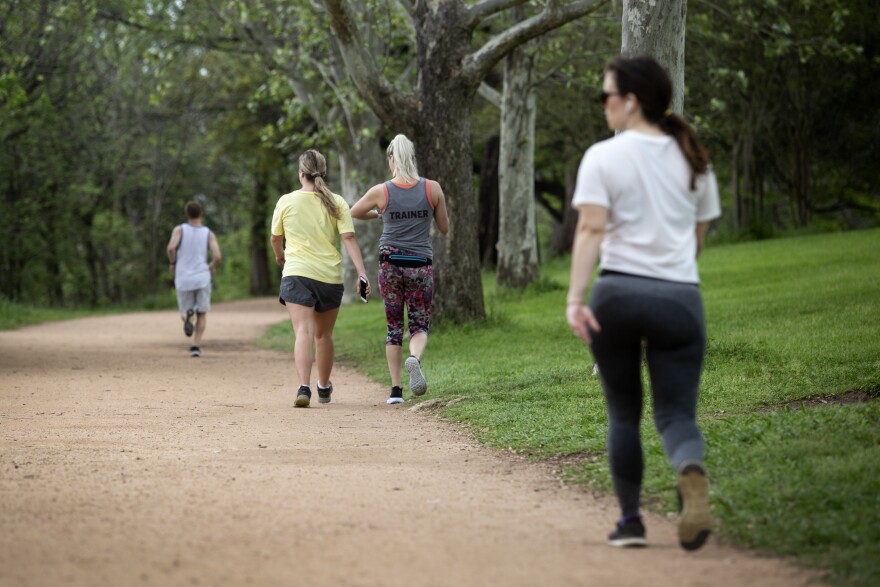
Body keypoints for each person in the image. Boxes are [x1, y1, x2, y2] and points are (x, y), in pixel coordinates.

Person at [565, 56, 721, 551]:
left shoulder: (603, 157)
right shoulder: (695, 157)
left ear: (631, 101)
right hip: (680, 298)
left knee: (623, 413)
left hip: (618, 296)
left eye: (606, 96)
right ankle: (690, 471)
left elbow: (590, 228)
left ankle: (631, 521)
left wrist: (575, 297)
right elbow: (697, 240)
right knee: (677, 415)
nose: (603, 106)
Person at [350, 134, 449, 405]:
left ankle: (395, 391)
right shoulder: (433, 188)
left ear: (392, 159)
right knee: (419, 324)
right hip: (420, 266)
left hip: (390, 264)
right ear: (413, 158)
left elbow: (354, 212)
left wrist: (379, 214)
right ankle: (414, 359)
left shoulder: (382, 191)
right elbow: (444, 228)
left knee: (394, 326)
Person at [270, 149, 371, 408]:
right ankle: (324, 387)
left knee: (303, 332)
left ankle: (304, 387)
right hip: (329, 276)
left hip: (297, 273)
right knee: (323, 335)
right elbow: (348, 238)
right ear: (322, 172)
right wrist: (362, 273)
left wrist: (280, 256)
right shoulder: (337, 201)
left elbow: (275, 238)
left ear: (301, 173)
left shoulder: (286, 201)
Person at [166, 201, 222, 357]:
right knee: (202, 313)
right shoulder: (208, 233)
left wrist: (173, 263)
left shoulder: (179, 230)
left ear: (187, 214)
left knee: (185, 311)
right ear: (201, 214)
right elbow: (217, 256)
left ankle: (187, 318)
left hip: (183, 277)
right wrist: (210, 267)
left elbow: (171, 248)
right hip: (202, 277)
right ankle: (196, 346)